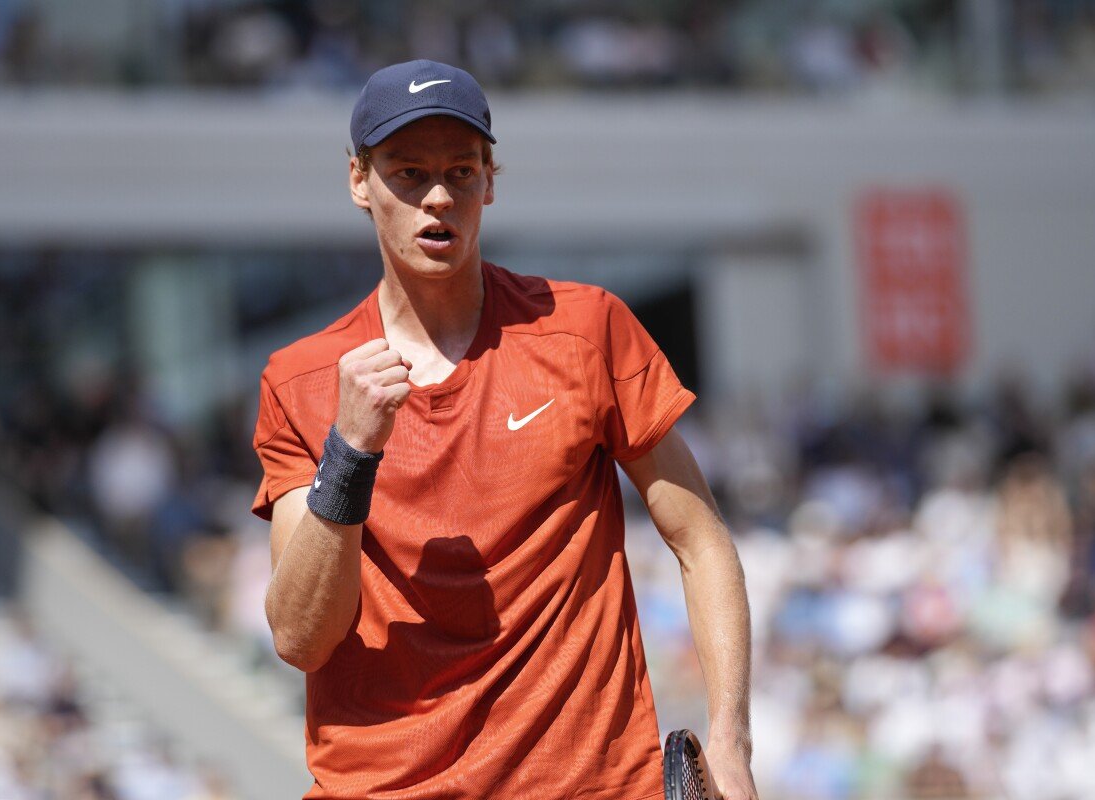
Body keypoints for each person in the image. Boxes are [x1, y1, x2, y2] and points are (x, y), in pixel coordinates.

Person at [252, 59, 758, 800]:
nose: (437, 197)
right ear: (359, 181)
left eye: (461, 171)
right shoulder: (301, 379)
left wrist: (731, 740)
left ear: (491, 180)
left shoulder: (586, 328)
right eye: (407, 172)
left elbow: (700, 538)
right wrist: (350, 451)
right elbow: (302, 636)